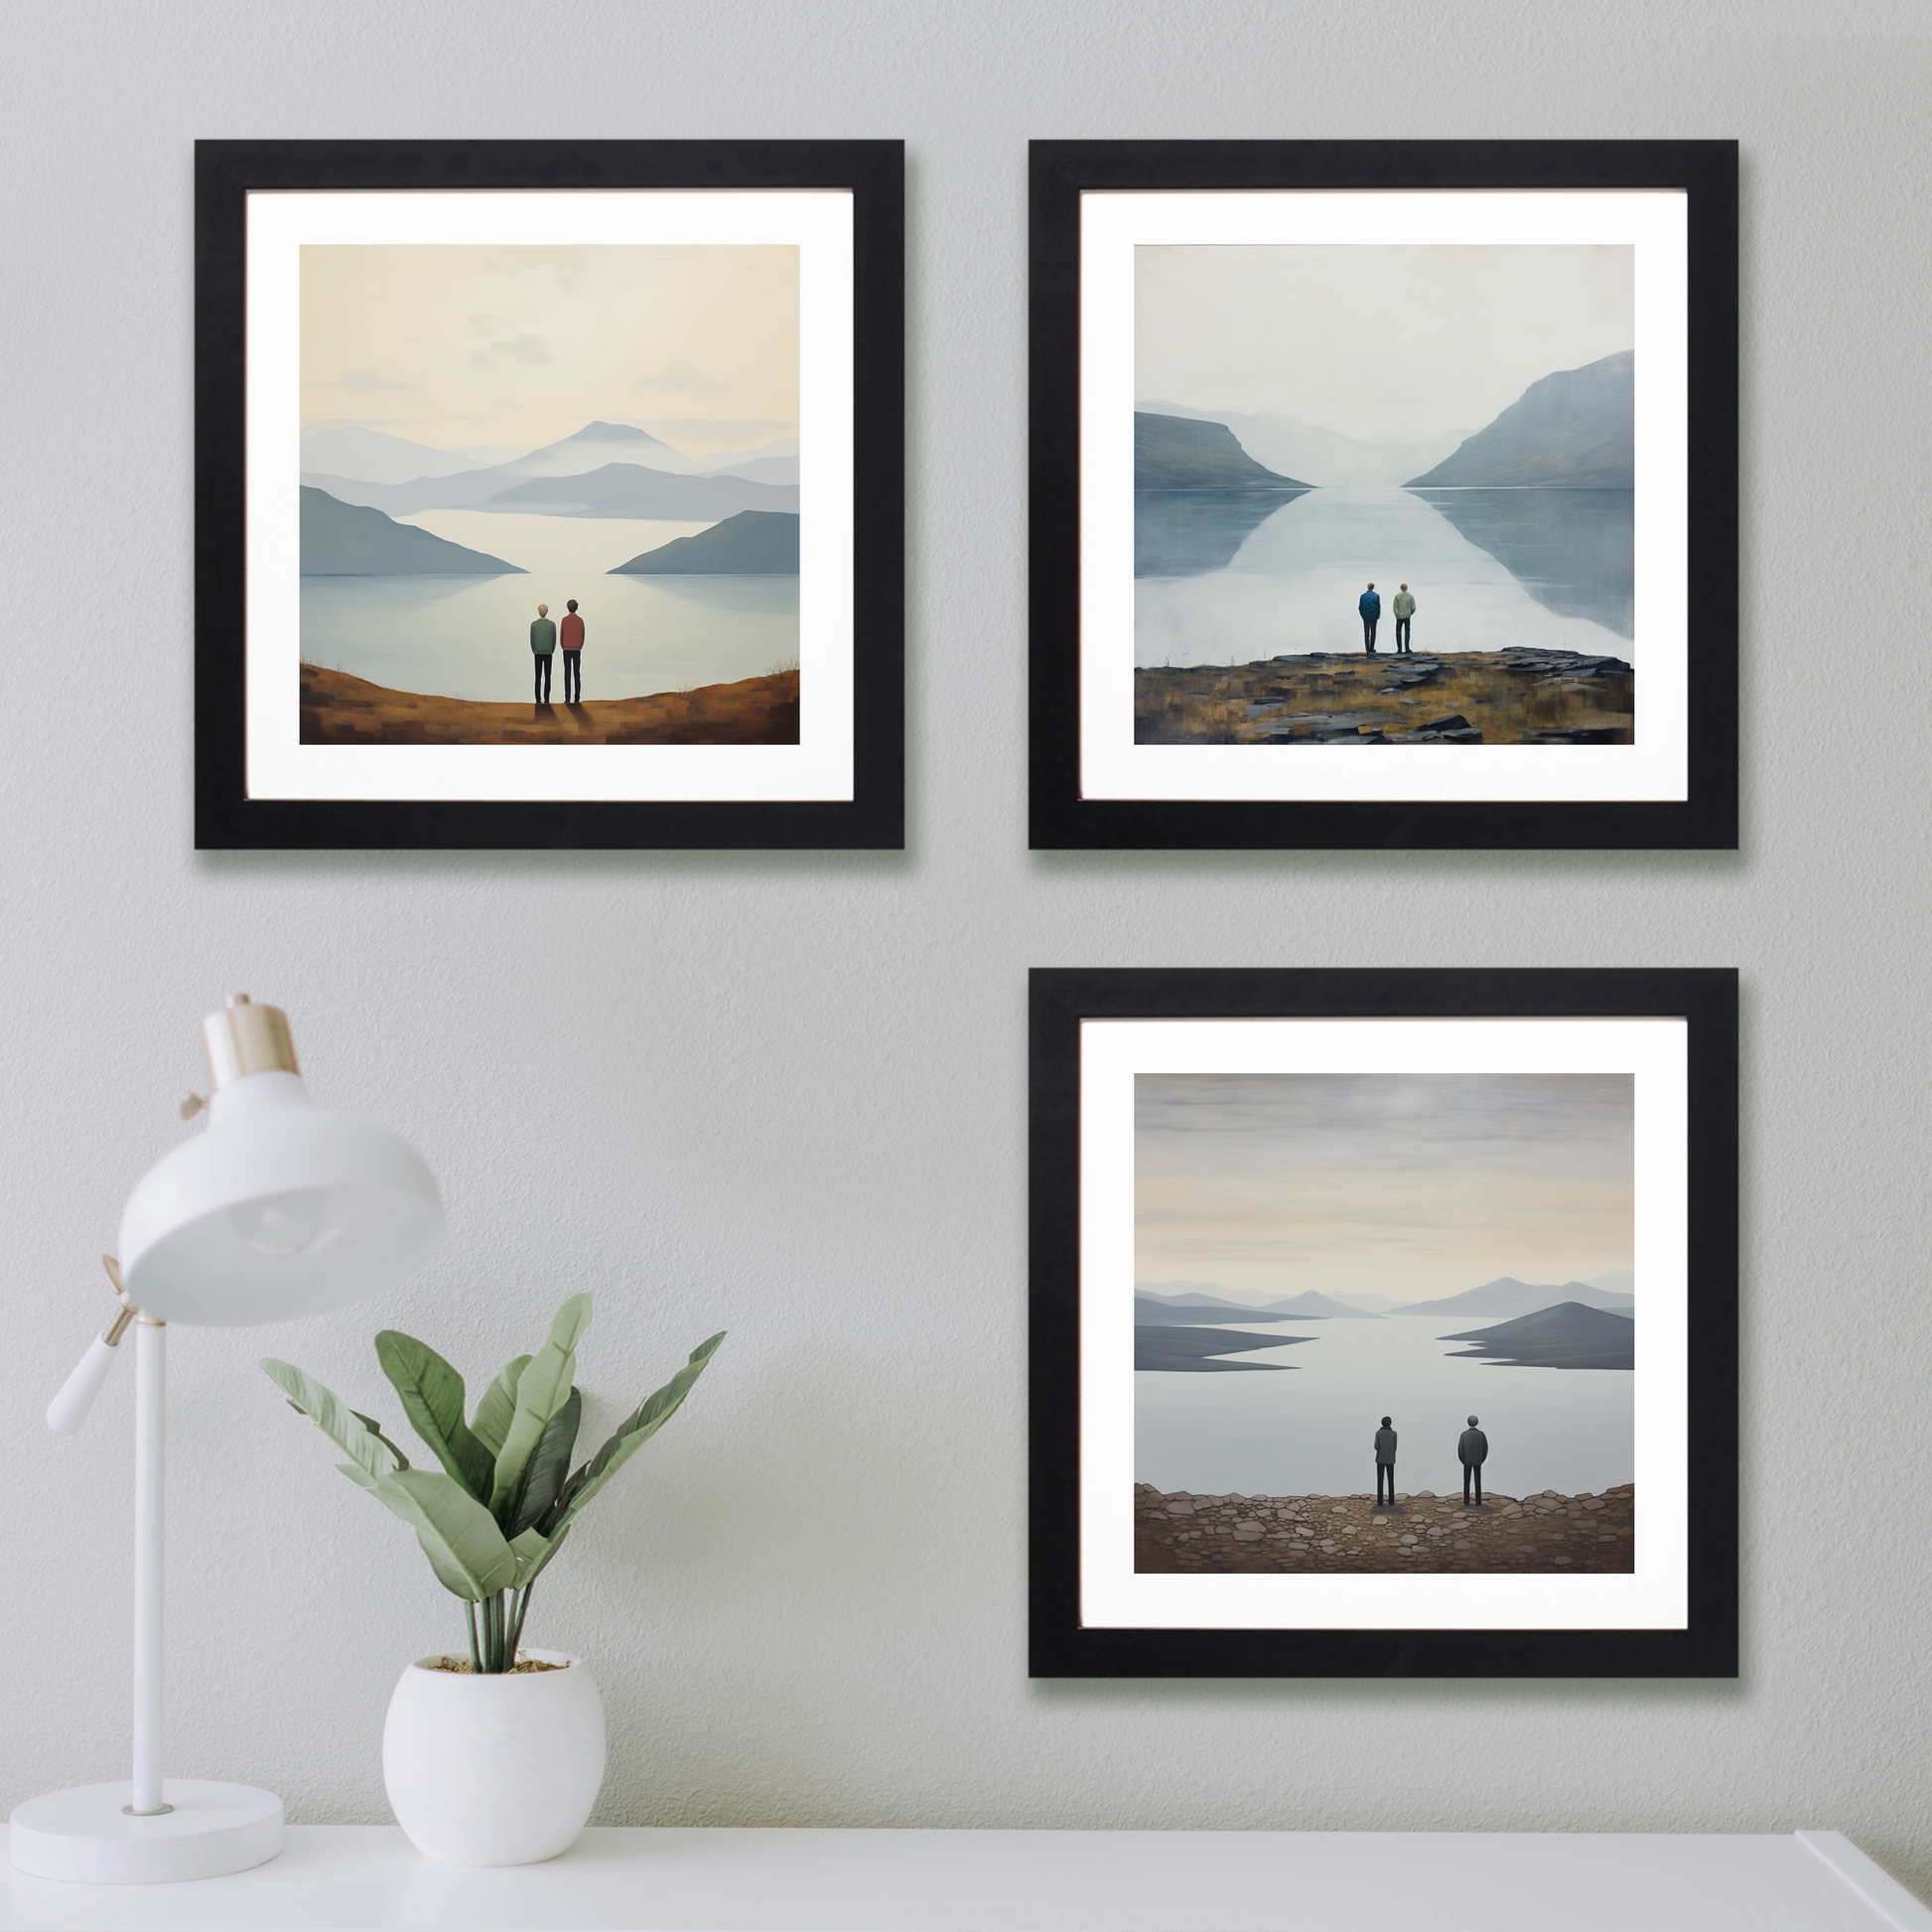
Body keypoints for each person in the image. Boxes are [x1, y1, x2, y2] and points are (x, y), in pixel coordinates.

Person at [1458, 1415, 1489, 1508]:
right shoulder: (1481, 1434)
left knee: (1466, 1481)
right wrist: (1482, 1459)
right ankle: (1478, 1501)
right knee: (1477, 1480)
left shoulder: (1464, 1434)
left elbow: (1460, 1449)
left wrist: (1462, 1460)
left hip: (1467, 1461)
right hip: (1478, 1460)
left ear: (1468, 1422)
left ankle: (1466, 1501)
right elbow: (1485, 1448)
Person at [559, 598, 585, 702]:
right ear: (576, 607)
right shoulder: (580, 621)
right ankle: (577, 697)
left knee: (567, 673)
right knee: (576, 674)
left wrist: (563, 646)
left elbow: (561, 635)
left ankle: (567, 698)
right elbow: (582, 635)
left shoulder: (564, 620)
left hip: (566, 649)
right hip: (577, 649)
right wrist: (579, 646)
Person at [530, 602, 556, 703]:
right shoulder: (552, 625)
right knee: (547, 676)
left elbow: (532, 640)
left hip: (537, 652)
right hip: (548, 652)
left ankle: (538, 699)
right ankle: (547, 698)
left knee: (538, 676)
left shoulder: (534, 625)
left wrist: (534, 650)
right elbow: (554, 640)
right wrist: (551, 650)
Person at [1374, 1416, 1398, 1505]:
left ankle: (1380, 1502)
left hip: (1380, 1458)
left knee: (1380, 1480)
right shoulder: (1394, 1433)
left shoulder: (1379, 1433)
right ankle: (1391, 1501)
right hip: (1391, 1458)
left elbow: (1376, 1446)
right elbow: (1395, 1447)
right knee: (1391, 1480)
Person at [1392, 584, 1416, 654]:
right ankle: (1407, 648)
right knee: (1407, 632)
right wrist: (1409, 613)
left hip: (1399, 617)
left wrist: (1397, 615)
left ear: (1400, 588)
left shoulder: (1397, 596)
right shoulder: (1410, 596)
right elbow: (1413, 607)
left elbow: (1395, 607)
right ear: (1407, 588)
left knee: (1398, 632)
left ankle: (1399, 649)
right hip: (1407, 617)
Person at [1358, 582, 1381, 653]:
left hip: (1366, 616)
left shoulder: (1363, 596)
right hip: (1374, 616)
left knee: (1366, 633)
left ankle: (1367, 649)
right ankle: (1372, 648)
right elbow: (1378, 607)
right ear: (1373, 587)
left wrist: (1363, 615)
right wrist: (1378, 616)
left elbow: (1360, 607)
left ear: (1367, 587)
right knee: (1373, 632)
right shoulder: (1376, 596)